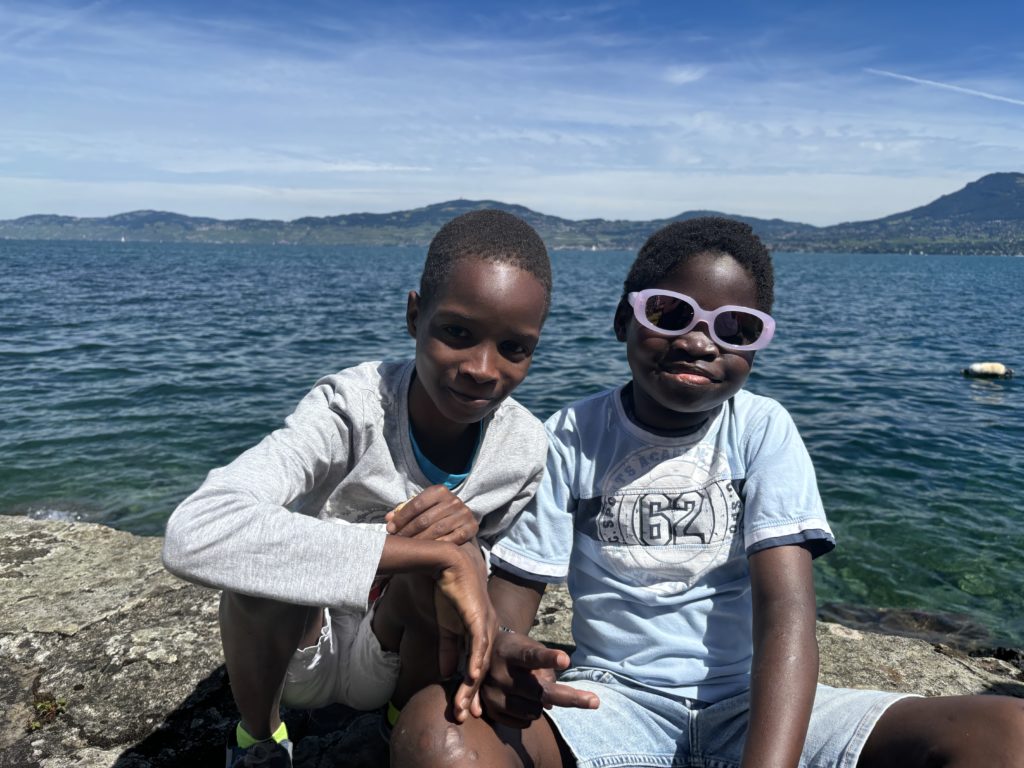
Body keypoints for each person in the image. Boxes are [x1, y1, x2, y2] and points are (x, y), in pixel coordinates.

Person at [391, 217, 1024, 768]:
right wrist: (504, 652)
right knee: (436, 734)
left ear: (756, 347)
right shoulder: (572, 435)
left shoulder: (762, 429)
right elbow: (516, 596)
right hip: (610, 703)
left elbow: (786, 617)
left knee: (1006, 734)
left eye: (736, 327)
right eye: (669, 313)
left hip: (753, 704)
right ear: (624, 319)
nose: (699, 340)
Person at [161, 209, 554, 768]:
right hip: (303, 647)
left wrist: (462, 556)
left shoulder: (522, 447)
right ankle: (258, 739)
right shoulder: (350, 408)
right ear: (415, 315)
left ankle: (402, 722)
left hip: (399, 655)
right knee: (266, 565)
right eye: (457, 332)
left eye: (515, 348)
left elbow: (480, 594)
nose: (483, 368)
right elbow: (195, 531)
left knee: (453, 555)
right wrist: (431, 554)